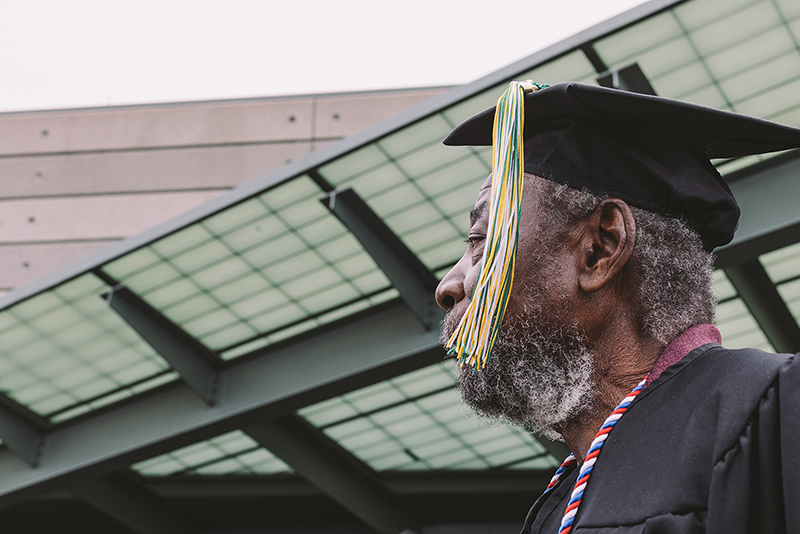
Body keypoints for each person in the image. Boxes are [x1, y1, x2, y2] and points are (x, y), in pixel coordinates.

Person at [434, 82, 800, 533]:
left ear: (600, 248)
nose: (447, 286)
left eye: (480, 240)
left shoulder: (776, 415)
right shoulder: (557, 508)